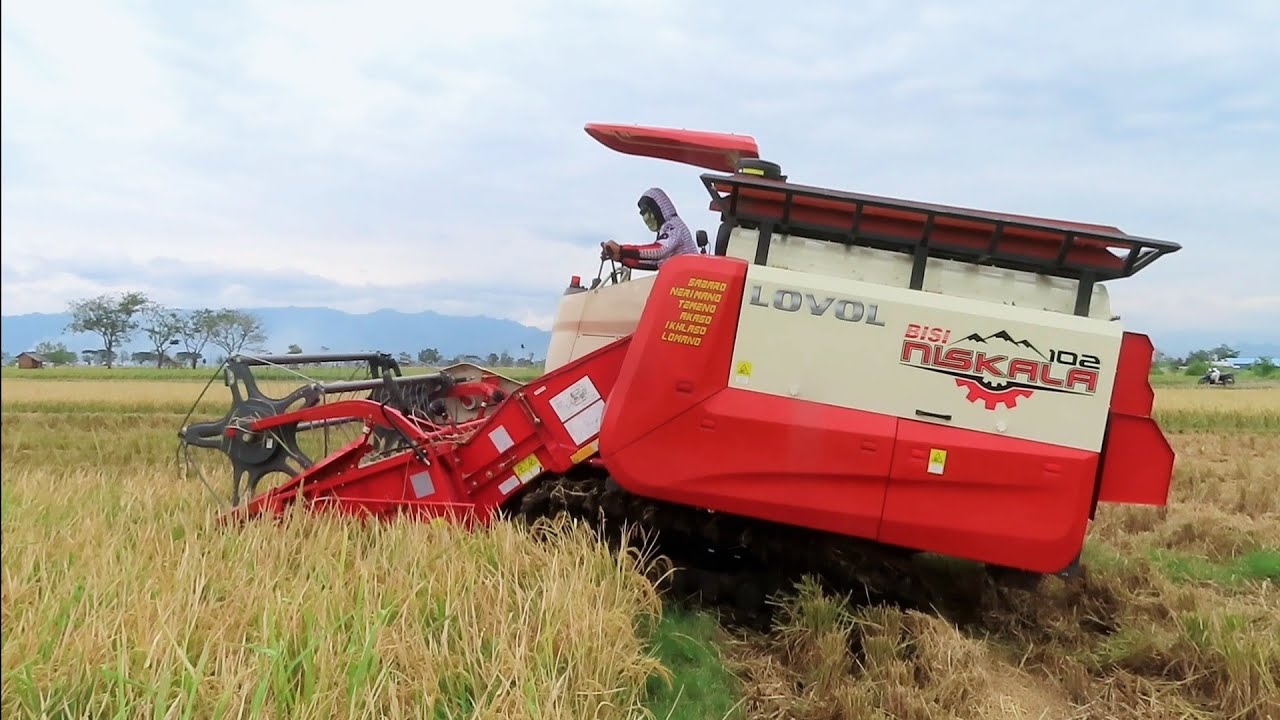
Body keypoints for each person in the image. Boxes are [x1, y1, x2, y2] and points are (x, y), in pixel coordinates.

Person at [600, 188, 698, 270]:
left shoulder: (673, 226)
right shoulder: (665, 229)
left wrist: (621, 249)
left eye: (646, 211)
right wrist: (621, 257)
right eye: (642, 213)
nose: (646, 218)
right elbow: (654, 263)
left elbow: (659, 251)